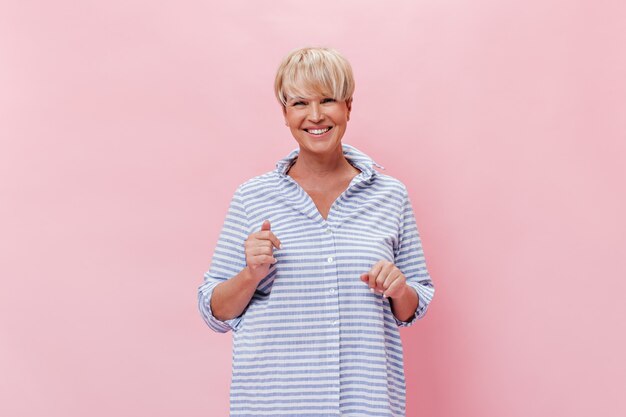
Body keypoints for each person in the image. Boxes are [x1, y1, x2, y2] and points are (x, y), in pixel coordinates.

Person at [198, 46, 435, 417]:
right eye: (299, 103)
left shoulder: (390, 195)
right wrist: (251, 274)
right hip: (273, 404)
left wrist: (399, 288)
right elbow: (213, 310)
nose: (315, 116)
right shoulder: (252, 197)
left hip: (365, 402)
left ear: (348, 107)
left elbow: (413, 306)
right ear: (285, 114)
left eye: (327, 100)